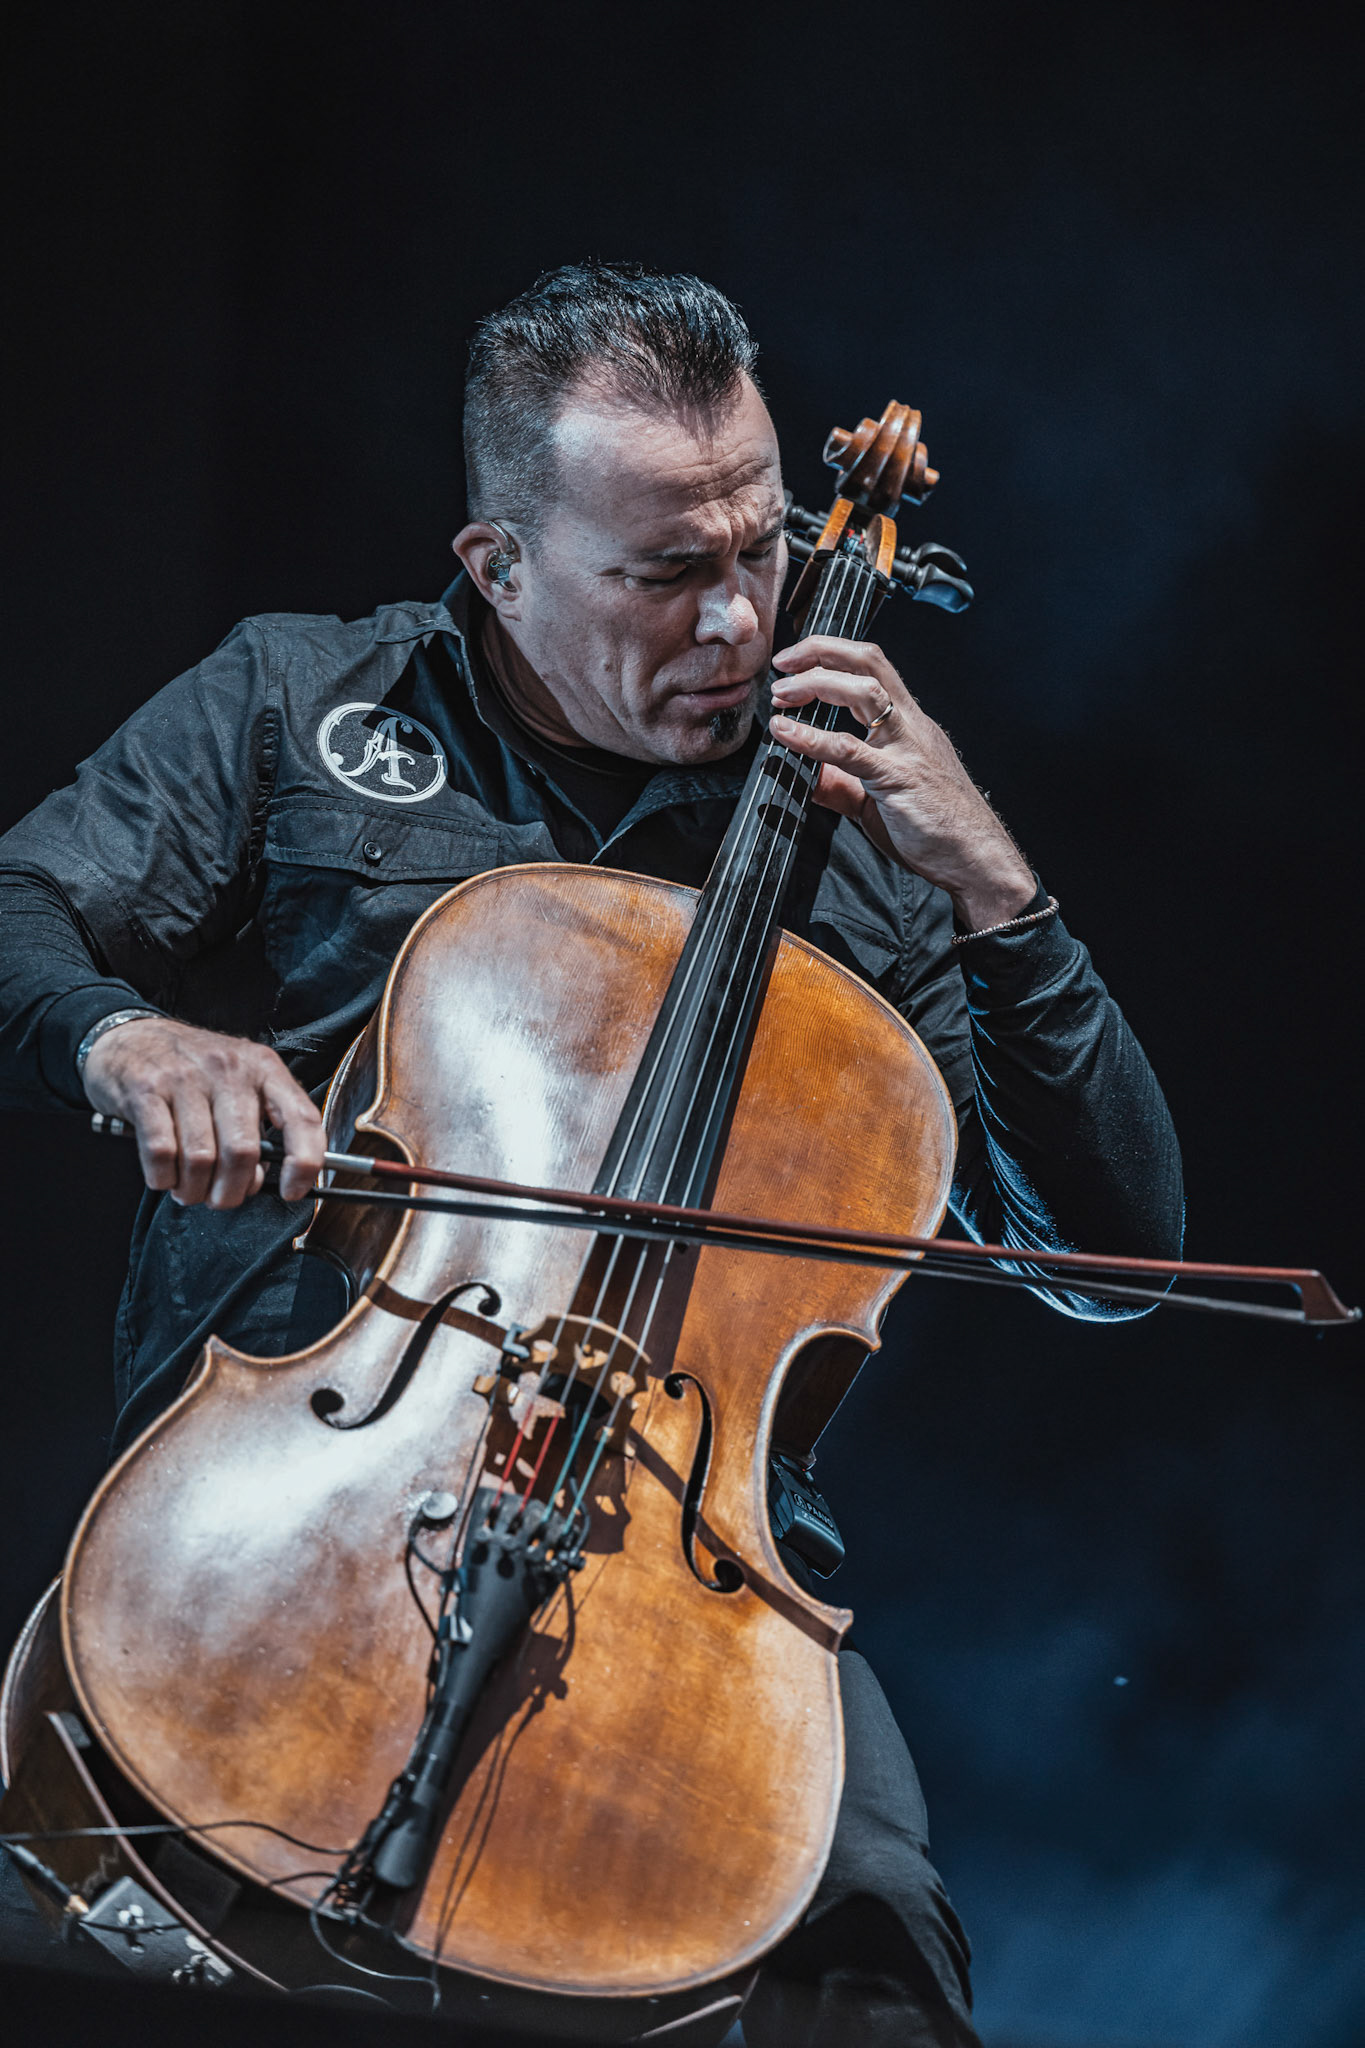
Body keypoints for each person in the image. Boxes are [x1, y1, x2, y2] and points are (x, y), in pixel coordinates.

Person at [0, 264, 1183, 2044]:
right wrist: (130, 1037)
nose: (737, 624)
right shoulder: (299, 704)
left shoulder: (867, 843)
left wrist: (997, 893)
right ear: (499, 565)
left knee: (873, 1969)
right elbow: (21, 903)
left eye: (763, 550)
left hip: (686, 1550)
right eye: (662, 574)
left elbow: (1110, 1259)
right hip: (291, 1504)